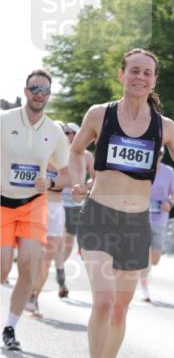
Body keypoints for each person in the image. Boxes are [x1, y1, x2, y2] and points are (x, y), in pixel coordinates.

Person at [69, 48, 174, 358]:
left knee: (120, 310)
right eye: (134, 71)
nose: (140, 77)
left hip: (135, 223)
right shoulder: (100, 114)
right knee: (104, 301)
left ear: (154, 80)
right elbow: (76, 152)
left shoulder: (165, 127)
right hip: (98, 215)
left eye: (147, 73)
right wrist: (77, 181)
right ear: (122, 75)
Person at [1, 70, 69, 350]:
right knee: (3, 267)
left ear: (49, 95)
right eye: (35, 89)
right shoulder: (4, 121)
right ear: (26, 91)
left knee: (29, 267)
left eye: (45, 90)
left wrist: (50, 182)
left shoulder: (54, 132)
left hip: (33, 204)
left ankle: (9, 328)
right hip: (2, 203)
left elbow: (66, 174)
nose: (40, 94)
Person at [27, 123, 72, 316]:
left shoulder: (68, 159)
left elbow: (73, 181)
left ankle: (34, 297)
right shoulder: (36, 154)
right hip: (35, 207)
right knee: (33, 256)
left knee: (46, 260)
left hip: (56, 209)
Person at [138, 147, 174, 302]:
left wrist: (170, 202)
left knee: (154, 259)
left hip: (160, 218)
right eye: (155, 153)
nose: (157, 156)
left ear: (162, 155)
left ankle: (143, 271)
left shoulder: (169, 171)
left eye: (160, 154)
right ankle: (144, 285)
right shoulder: (140, 168)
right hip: (141, 217)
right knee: (145, 252)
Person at [58, 122, 95, 298]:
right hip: (56, 202)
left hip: (74, 205)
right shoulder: (58, 152)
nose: (66, 135)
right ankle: (56, 274)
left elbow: (96, 178)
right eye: (64, 132)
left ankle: (59, 269)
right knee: (53, 240)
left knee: (67, 244)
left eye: (69, 132)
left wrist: (85, 186)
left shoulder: (87, 155)